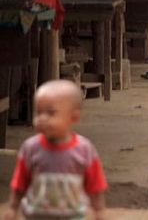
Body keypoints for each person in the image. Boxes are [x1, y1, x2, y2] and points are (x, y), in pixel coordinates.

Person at [5, 80, 108, 220]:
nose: (42, 118)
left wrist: (99, 210)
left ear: (73, 117)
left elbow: (95, 184)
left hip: (73, 215)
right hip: (36, 215)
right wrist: (12, 207)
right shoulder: (31, 148)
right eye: (39, 112)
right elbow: (20, 182)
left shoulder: (84, 149)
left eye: (51, 113)